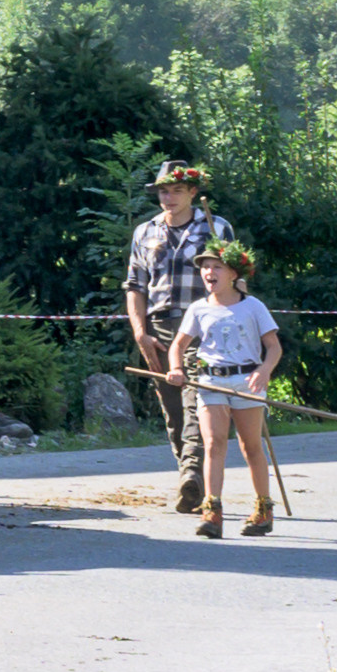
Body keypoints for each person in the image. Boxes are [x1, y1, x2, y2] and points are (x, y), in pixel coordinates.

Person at [124, 160, 236, 514]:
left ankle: (191, 471)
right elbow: (134, 286)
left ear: (193, 192)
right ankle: (192, 481)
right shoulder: (145, 232)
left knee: (195, 401)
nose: (168, 197)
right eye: (163, 190)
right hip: (159, 327)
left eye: (176, 190)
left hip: (203, 326)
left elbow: (235, 280)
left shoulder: (216, 228)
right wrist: (140, 332)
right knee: (173, 409)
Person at [167, 240, 280, 538]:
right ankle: (212, 512)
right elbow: (177, 346)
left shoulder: (253, 306)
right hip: (210, 382)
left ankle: (263, 510)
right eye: (205, 267)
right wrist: (177, 369)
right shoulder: (199, 308)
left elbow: (273, 347)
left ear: (233, 273)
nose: (209, 272)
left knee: (250, 446)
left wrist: (264, 371)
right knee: (215, 444)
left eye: (216, 266)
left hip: (246, 381)